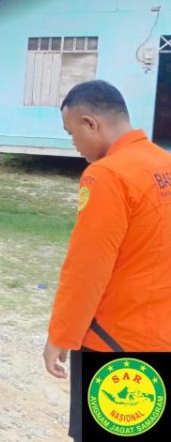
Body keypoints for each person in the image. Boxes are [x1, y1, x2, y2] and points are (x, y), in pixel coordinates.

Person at [43, 80, 171, 441]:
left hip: (116, 342)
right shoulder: (163, 163)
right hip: (161, 332)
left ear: (90, 124)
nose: (73, 143)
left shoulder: (108, 175)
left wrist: (61, 335)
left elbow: (87, 268)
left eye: (71, 133)